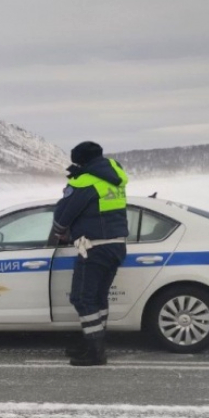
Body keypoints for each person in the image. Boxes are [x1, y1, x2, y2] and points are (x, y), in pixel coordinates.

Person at [48, 141, 129, 366]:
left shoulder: (85, 181)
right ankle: (94, 341)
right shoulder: (113, 176)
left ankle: (95, 351)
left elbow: (64, 214)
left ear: (80, 160)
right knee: (97, 298)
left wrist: (59, 232)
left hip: (95, 246)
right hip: (116, 245)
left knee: (82, 298)